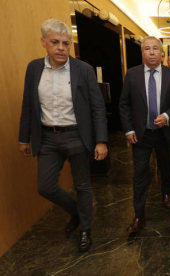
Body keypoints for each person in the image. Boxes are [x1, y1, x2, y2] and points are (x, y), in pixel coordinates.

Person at [18, 19, 108, 252]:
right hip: (47, 137)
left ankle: (86, 229)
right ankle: (76, 213)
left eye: (66, 43)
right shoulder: (34, 68)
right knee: (45, 187)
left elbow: (98, 107)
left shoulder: (84, 70)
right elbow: (28, 105)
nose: (61, 48)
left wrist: (101, 141)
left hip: (77, 136)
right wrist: (23, 137)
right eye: (55, 42)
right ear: (43, 42)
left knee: (82, 186)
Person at [119, 36, 170, 232]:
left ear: (162, 53)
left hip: (164, 132)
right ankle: (139, 215)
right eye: (147, 49)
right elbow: (124, 104)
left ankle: (166, 192)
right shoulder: (132, 75)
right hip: (141, 134)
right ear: (142, 53)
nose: (152, 52)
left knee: (166, 167)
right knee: (139, 173)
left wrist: (167, 115)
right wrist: (129, 129)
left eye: (155, 48)